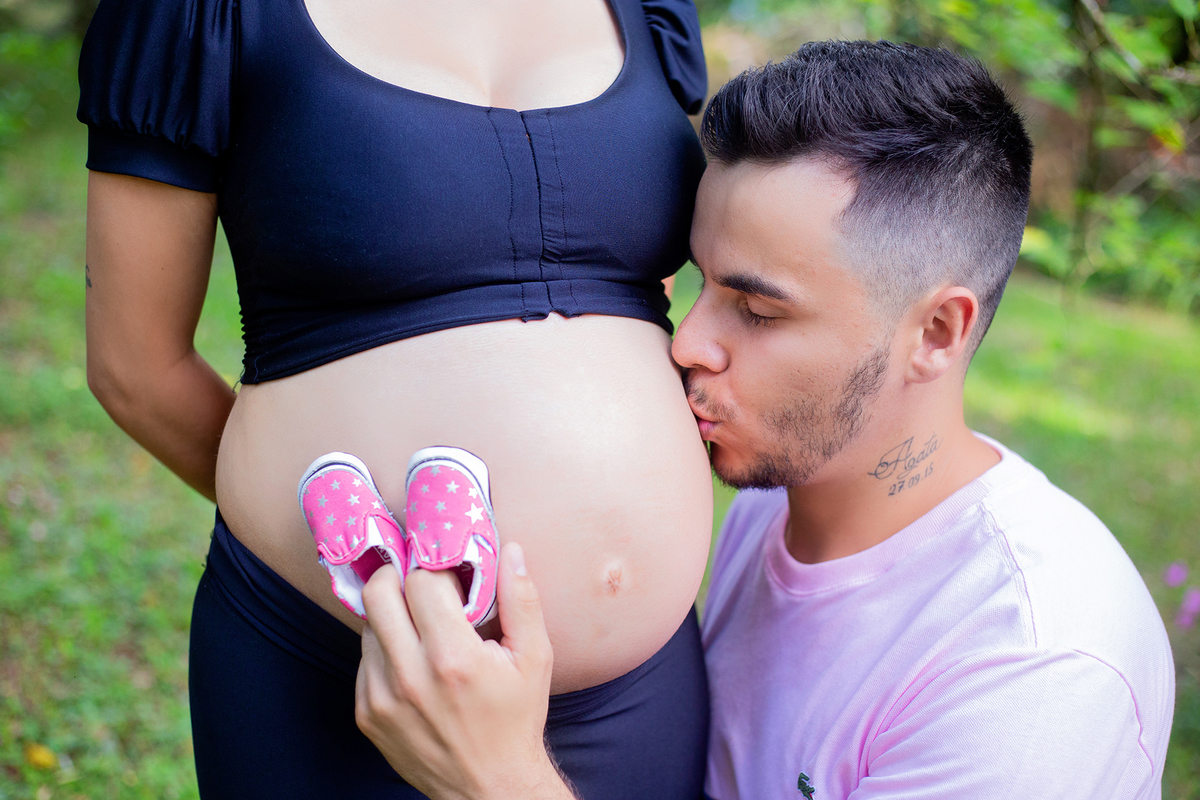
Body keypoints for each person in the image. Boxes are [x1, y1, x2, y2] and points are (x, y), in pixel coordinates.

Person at [354, 41, 1177, 800]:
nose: (688, 344)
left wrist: (497, 779)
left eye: (756, 310)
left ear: (935, 333)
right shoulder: (777, 502)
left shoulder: (1034, 668)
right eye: (701, 284)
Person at [76, 0, 715, 797]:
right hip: (343, 664)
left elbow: (647, 292)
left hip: (640, 687)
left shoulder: (647, 11)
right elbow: (136, 368)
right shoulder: (206, 15)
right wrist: (306, 534)